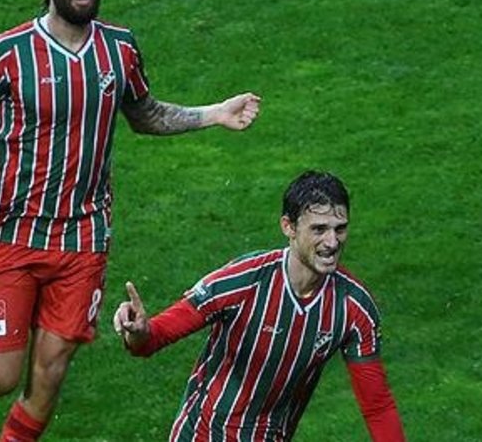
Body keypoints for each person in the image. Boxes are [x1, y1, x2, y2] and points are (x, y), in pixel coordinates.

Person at [0, 0, 262, 442]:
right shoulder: (9, 52)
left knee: (50, 371)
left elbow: (145, 114)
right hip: (17, 231)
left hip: (84, 237)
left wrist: (213, 113)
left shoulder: (119, 49)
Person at [112, 171, 406, 441]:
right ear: (288, 227)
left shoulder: (355, 308)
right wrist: (138, 331)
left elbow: (377, 406)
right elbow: (152, 339)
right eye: (319, 229)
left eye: (340, 229)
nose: (332, 242)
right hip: (202, 435)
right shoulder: (243, 281)